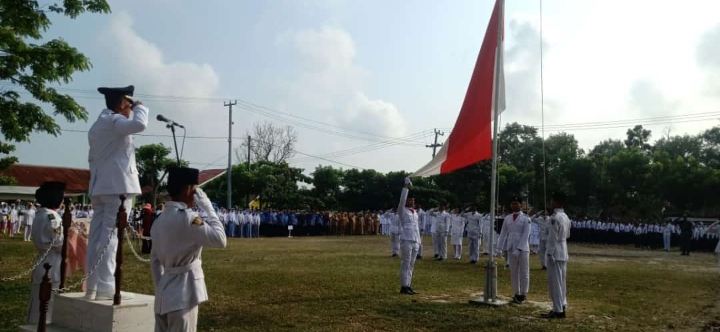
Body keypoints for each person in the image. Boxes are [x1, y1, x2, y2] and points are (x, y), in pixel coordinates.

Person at [85, 85, 148, 300]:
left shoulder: (97, 124)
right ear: (123, 103)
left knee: (96, 237)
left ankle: (93, 284)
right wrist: (141, 107)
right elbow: (139, 124)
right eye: (129, 104)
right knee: (111, 236)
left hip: (100, 186)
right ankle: (105, 285)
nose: (130, 108)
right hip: (118, 187)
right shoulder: (114, 121)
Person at [150, 167, 227, 331]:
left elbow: (155, 262)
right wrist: (208, 207)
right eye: (195, 189)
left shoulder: (158, 220)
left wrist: (161, 289)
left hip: (163, 294)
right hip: (184, 294)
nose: (196, 194)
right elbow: (221, 240)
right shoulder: (189, 219)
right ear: (187, 190)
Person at [26, 182, 65, 325]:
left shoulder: (40, 214)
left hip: (42, 259)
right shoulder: (52, 218)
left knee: (36, 302)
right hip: (52, 262)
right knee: (48, 304)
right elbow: (60, 242)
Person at [496, 195, 531, 304]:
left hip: (523, 248)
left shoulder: (526, 218)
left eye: (516, 203)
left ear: (521, 205)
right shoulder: (508, 218)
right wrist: (499, 247)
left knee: (524, 271)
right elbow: (503, 233)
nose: (514, 205)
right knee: (514, 271)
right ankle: (516, 292)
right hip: (511, 247)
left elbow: (526, 235)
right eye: (512, 203)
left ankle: (524, 293)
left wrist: (519, 248)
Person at [542, 191, 571, 319]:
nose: (550, 202)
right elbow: (568, 235)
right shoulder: (565, 216)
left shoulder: (554, 218)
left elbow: (552, 238)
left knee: (555, 283)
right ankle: (562, 304)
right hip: (563, 250)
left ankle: (558, 310)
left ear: (556, 202)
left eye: (552, 200)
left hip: (555, 252)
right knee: (561, 281)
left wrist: (549, 253)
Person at [397, 177, 421, 295]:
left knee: (411, 264)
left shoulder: (415, 212)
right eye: (410, 200)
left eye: (413, 200)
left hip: (415, 239)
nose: (412, 202)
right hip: (406, 239)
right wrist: (406, 186)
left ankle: (408, 285)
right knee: (405, 262)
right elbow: (401, 200)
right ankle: (403, 286)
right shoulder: (402, 210)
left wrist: (419, 241)